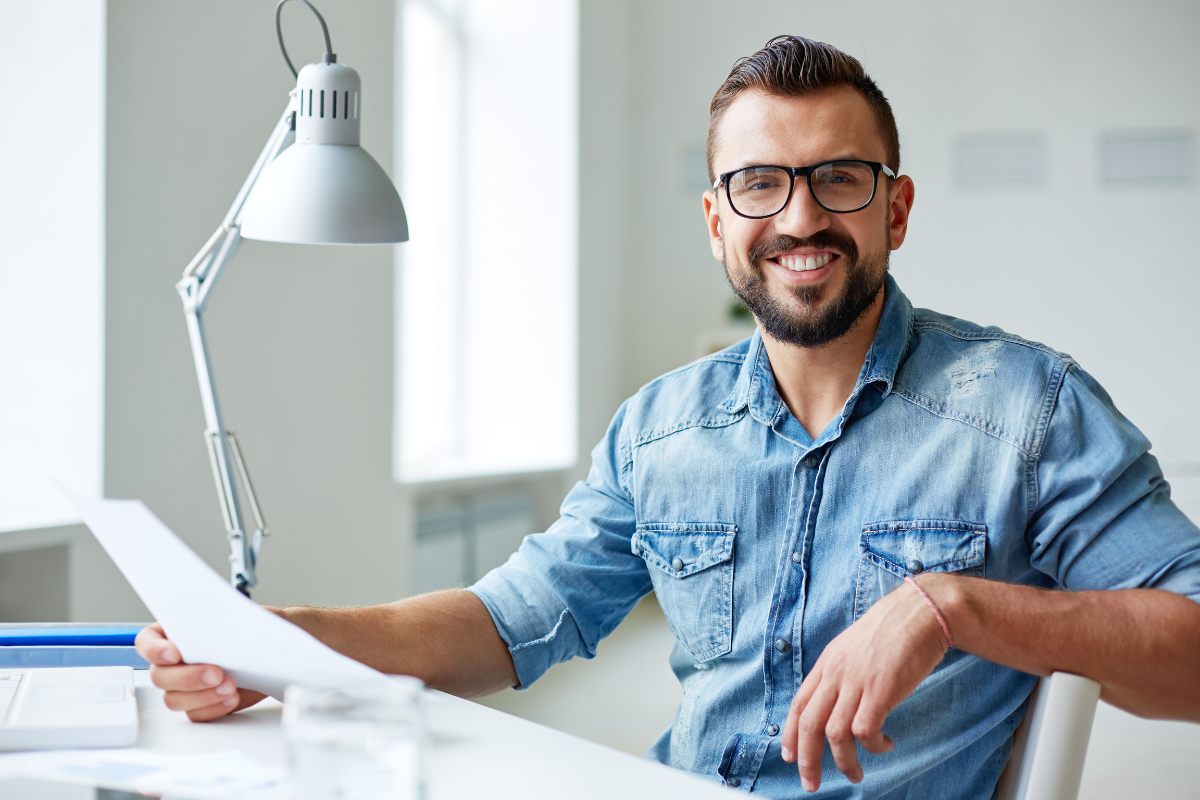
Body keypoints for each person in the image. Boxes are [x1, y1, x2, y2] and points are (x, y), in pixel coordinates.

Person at [137, 35, 1200, 798]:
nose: (799, 216)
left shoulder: (1028, 408)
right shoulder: (659, 430)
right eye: (757, 184)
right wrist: (285, 640)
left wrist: (951, 605)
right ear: (715, 220)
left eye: (838, 178)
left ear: (897, 206)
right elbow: (510, 620)